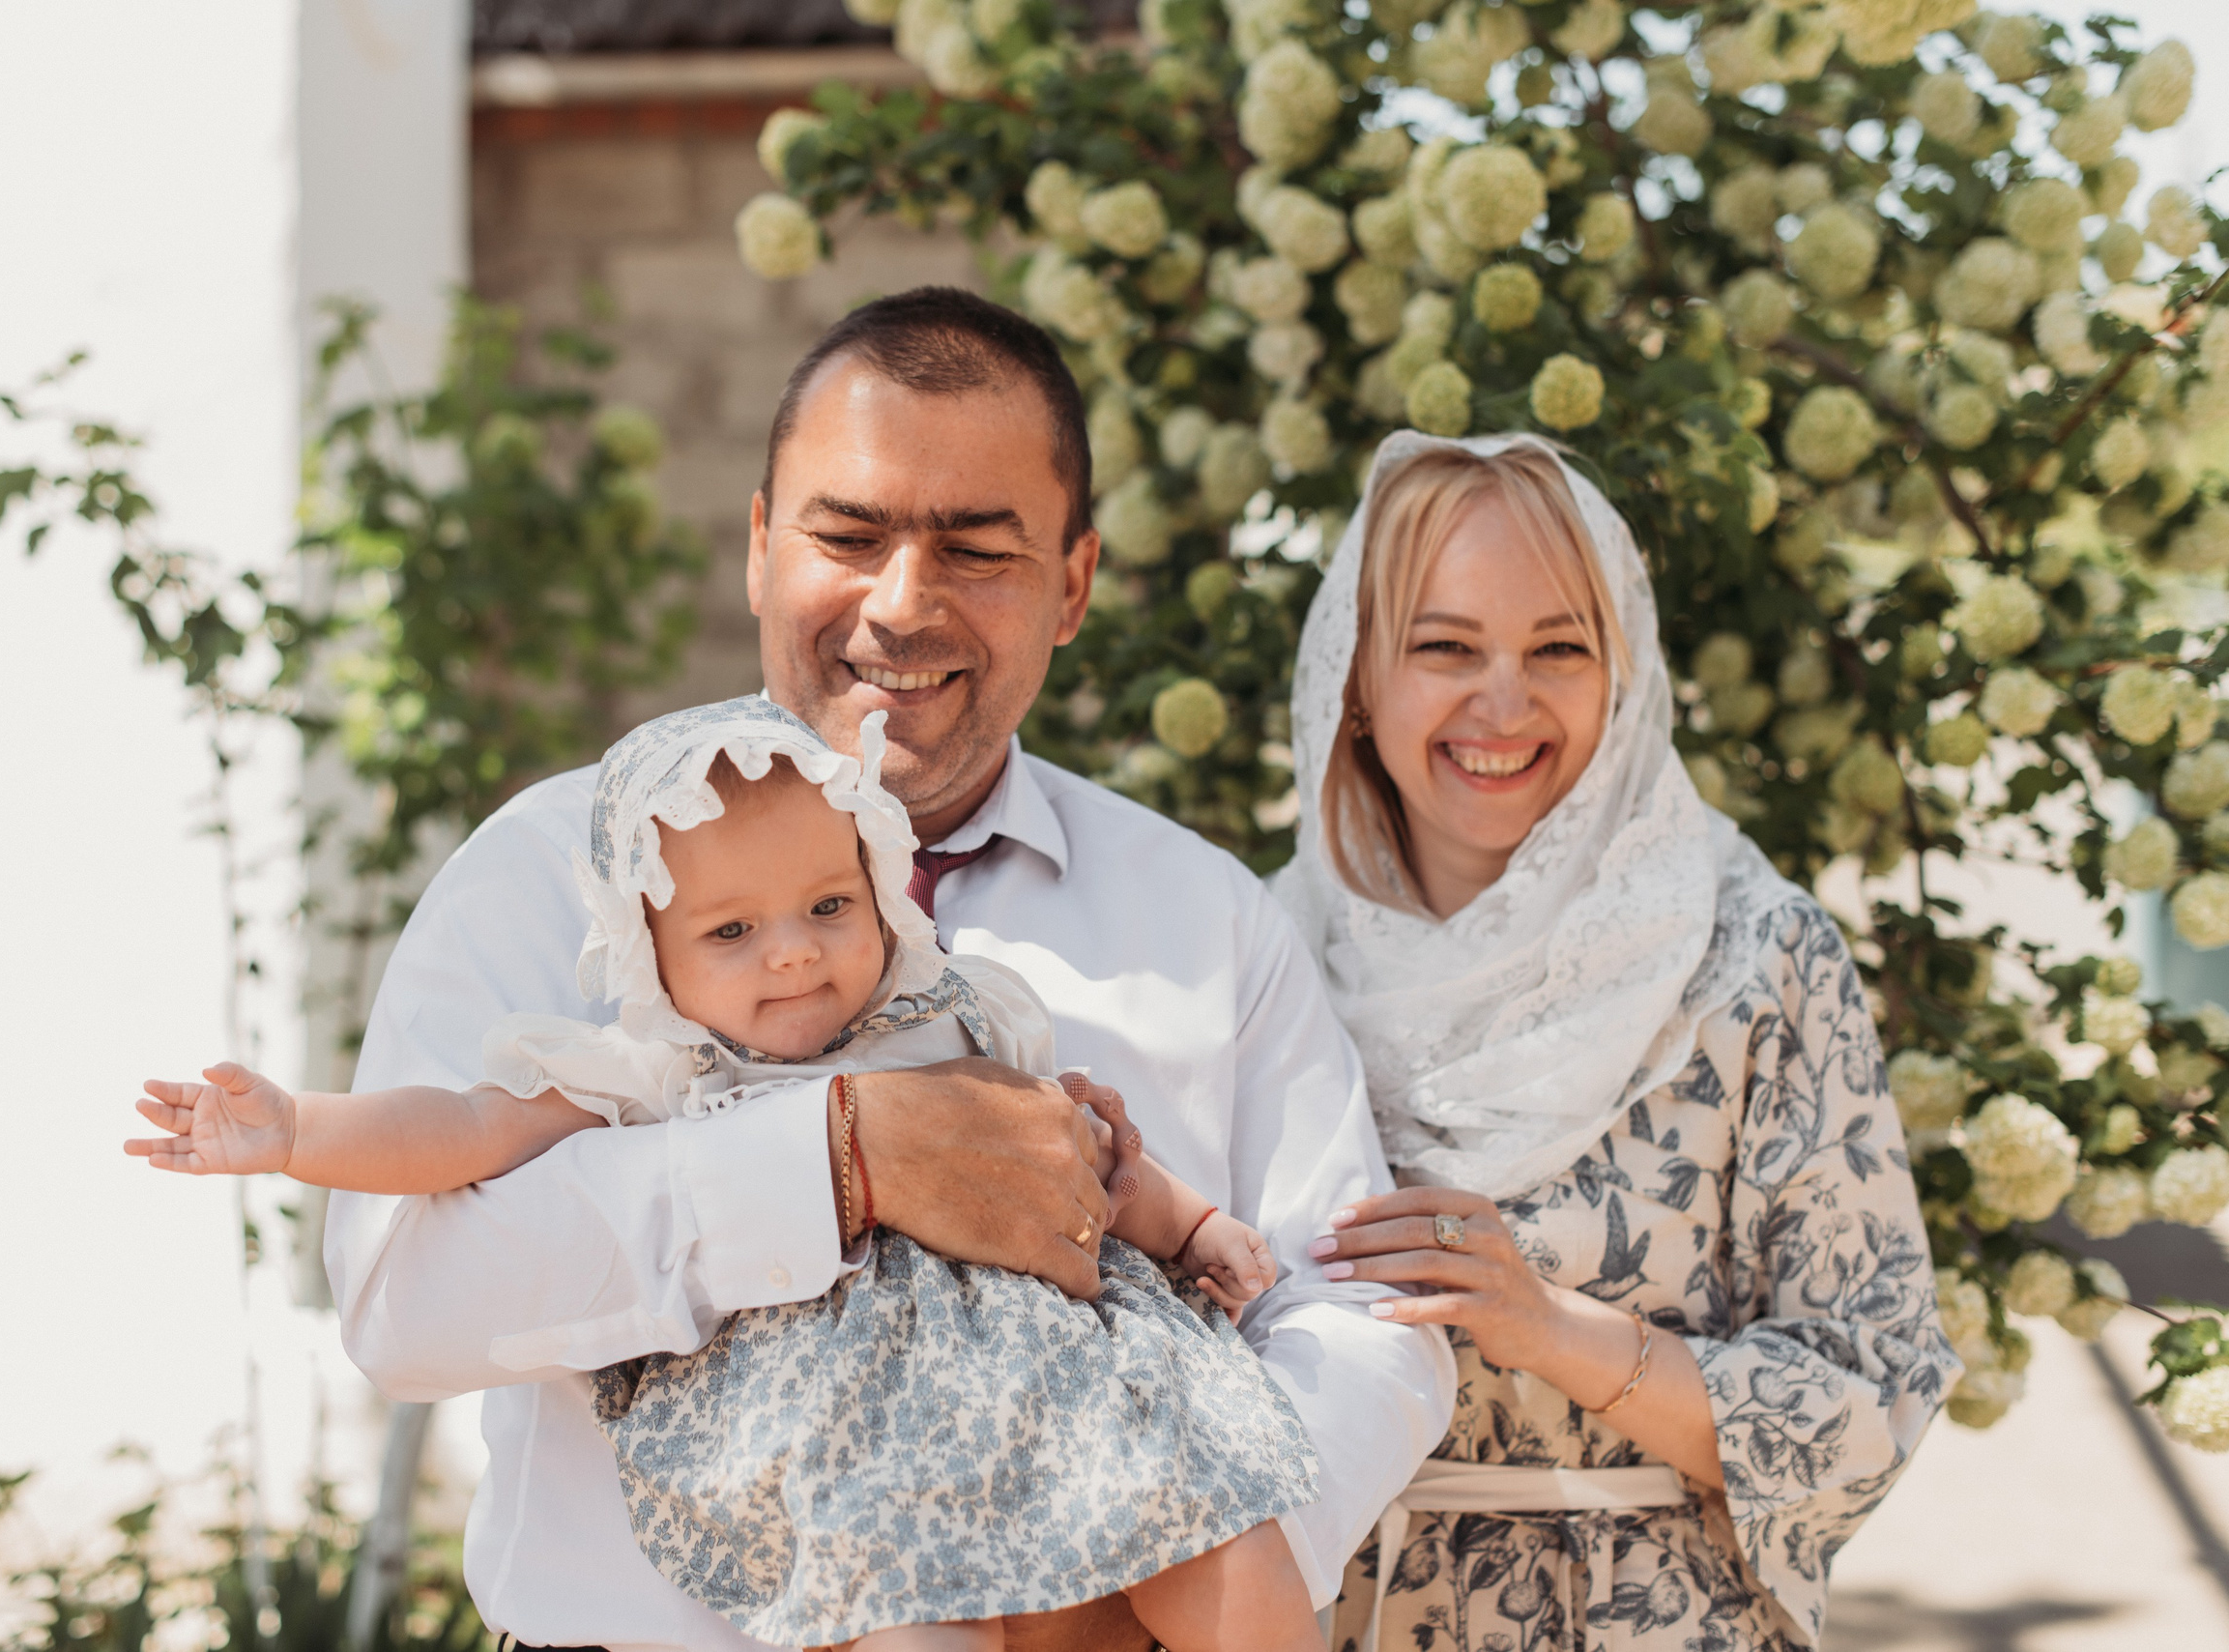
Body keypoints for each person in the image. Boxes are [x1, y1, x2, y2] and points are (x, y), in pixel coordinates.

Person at [320, 288, 1456, 1652]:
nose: (902, 604)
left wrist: (1184, 1551)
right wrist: (837, 1161)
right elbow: (401, 1302)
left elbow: (1358, 1308)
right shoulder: (550, 870)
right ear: (760, 548)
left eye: (976, 549)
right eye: (847, 536)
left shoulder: (1202, 915)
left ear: (1074, 584)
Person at [129, 698, 1324, 1651]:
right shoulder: (660, 1068)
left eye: (828, 904)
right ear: (651, 954)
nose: (793, 950)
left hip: (1065, 1395)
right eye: (732, 931)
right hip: (864, 1449)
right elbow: (461, 1129)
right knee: (918, 1618)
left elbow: (1076, 1153)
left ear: (880, 893)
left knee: (1229, 1544)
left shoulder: (946, 1015)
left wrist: (1191, 1225)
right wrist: (296, 1127)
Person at [1278, 434, 1959, 1651]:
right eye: (1444, 647)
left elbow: (1871, 1392)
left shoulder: (1753, 958)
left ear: (1623, 672)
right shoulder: (1262, 956)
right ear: (1357, 677)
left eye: (1559, 648)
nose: (1503, 703)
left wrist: (1549, 1325)